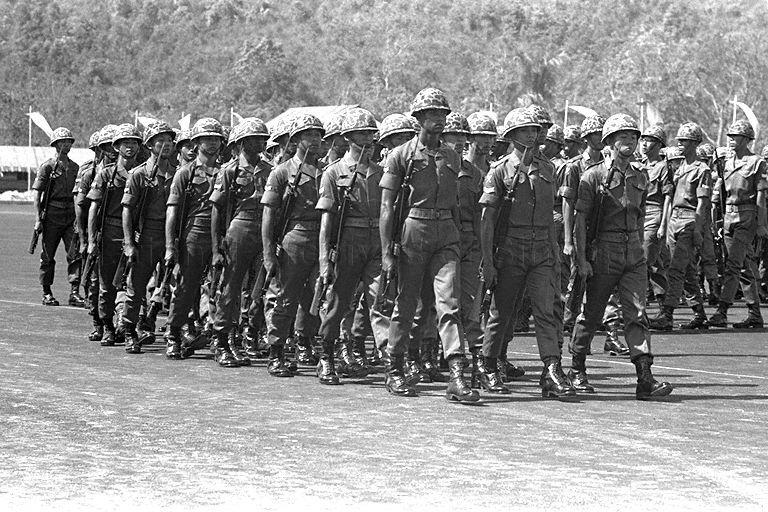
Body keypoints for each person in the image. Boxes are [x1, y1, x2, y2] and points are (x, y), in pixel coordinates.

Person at [379, 87, 478, 402]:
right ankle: (394, 368)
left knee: (449, 303)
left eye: (442, 114)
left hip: (446, 232)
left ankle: (457, 375)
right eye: (432, 114)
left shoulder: (452, 156)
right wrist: (386, 253)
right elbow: (387, 207)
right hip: (414, 231)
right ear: (419, 118)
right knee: (406, 305)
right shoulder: (401, 156)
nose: (439, 119)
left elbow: (461, 202)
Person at [568, 114, 673, 400]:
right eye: (623, 136)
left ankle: (645, 377)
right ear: (610, 142)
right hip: (603, 251)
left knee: (637, 313)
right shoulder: (593, 176)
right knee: (591, 314)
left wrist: (639, 246)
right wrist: (581, 258)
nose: (629, 141)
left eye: (633, 137)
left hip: (633, 252)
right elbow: (580, 220)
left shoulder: (641, 176)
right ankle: (576, 368)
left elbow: (639, 216)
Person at [476, 108, 575, 398]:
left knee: (546, 310)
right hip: (510, 248)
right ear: (511, 135)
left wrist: (555, 252)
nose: (533, 134)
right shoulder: (500, 170)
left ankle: (551, 369)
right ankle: (489, 364)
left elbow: (547, 216)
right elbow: (487, 221)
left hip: (542, 249)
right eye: (525, 131)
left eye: (535, 130)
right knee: (501, 312)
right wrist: (488, 262)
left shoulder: (548, 168)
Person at [315, 107, 387, 384]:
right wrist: (325, 260)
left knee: (381, 301)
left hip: (375, 245)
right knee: (337, 304)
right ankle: (327, 358)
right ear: (348, 137)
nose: (368, 138)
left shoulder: (381, 172)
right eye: (361, 133)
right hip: (347, 245)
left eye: (370, 133)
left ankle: (391, 363)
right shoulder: (333, 173)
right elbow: (326, 223)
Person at [261, 114, 325, 377]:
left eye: (319, 135)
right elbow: (268, 215)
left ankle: (304, 342)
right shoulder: (282, 172)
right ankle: (276, 351)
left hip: (320, 237)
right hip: (294, 238)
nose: (316, 140)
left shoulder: (326, 171)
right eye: (310, 135)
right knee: (286, 298)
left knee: (316, 296)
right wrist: (268, 253)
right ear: (297, 139)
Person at [208, 118, 272, 366]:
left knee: (256, 289)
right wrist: (216, 248)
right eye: (255, 139)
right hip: (239, 228)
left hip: (263, 229)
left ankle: (243, 337)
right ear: (243, 142)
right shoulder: (229, 170)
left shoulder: (269, 170)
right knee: (230, 287)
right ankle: (222, 340)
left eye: (263, 139)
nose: (260, 143)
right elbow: (216, 209)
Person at [163, 118, 225, 360]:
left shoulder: (225, 171)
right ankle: (173, 335)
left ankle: (219, 338)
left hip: (219, 236)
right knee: (185, 289)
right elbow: (172, 212)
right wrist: (170, 246)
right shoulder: (185, 174)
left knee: (220, 289)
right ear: (197, 142)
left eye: (216, 139)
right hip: (193, 235)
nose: (212, 143)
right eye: (207, 138)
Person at [120, 121, 176, 354]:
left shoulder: (178, 173)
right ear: (150, 145)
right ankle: (129, 331)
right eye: (159, 140)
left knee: (173, 284)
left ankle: (171, 328)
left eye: (168, 140)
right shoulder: (139, 174)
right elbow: (127, 210)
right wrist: (129, 243)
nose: (165, 145)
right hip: (146, 235)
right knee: (136, 286)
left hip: (170, 235)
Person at [649, 123, 711, 331]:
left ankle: (667, 315)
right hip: (674, 219)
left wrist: (698, 229)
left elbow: (702, 203)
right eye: (679, 140)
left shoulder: (702, 170)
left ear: (694, 143)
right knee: (688, 270)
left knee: (676, 268)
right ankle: (699, 313)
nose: (680, 144)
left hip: (689, 219)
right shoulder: (680, 168)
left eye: (684, 141)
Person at [708, 120, 768, 328]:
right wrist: (718, 219)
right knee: (742, 266)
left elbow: (760, 196)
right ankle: (754, 313)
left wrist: (761, 223)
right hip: (729, 216)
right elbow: (722, 193)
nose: (731, 140)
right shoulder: (726, 162)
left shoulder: (757, 163)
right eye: (730, 136)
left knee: (733, 264)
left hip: (747, 215)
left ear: (747, 139)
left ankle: (722, 310)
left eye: (736, 137)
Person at [87, 123, 142, 346]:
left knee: (133, 284)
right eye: (125, 143)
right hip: (110, 231)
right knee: (107, 284)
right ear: (116, 147)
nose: (130, 147)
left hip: (136, 233)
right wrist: (91, 240)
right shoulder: (106, 174)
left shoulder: (142, 173)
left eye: (133, 143)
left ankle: (129, 327)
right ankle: (107, 325)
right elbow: (93, 208)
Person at [32, 127, 84, 307]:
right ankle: (46, 292)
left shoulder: (76, 167)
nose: (65, 145)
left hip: (70, 213)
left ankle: (75, 292)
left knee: (75, 254)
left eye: (68, 142)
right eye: (62, 142)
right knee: (48, 255)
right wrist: (38, 219)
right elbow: (37, 194)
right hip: (52, 213)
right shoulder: (47, 166)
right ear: (55, 144)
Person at [639, 125, 671, 312]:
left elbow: (667, 196)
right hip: (640, 214)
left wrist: (663, 225)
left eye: (649, 140)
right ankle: (664, 308)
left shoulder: (663, 167)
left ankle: (640, 308)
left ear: (659, 144)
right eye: (643, 139)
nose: (644, 143)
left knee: (643, 263)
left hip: (654, 213)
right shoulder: (640, 165)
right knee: (655, 264)